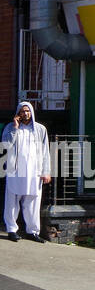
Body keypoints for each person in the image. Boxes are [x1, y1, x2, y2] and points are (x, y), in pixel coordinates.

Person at [2, 102, 52, 243]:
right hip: (15, 170)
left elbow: (45, 152)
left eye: (28, 111)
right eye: (22, 111)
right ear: (18, 113)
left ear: (32, 112)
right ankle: (12, 229)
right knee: (12, 201)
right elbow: (6, 145)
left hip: (34, 172)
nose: (25, 114)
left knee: (33, 202)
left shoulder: (40, 130)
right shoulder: (9, 128)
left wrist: (46, 171)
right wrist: (15, 128)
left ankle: (32, 231)